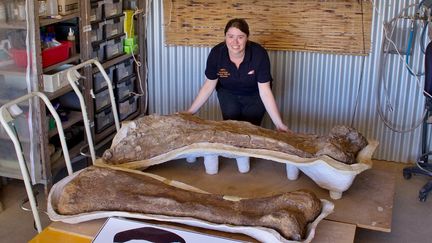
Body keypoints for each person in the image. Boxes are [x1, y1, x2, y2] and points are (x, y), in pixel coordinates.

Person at [186, 18, 289, 132]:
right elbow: (209, 85)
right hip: (228, 93)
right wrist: (190, 112)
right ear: (225, 37)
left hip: (254, 95)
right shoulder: (216, 54)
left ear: (247, 38)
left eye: (240, 37)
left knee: (251, 129)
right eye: (231, 36)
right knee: (231, 128)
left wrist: (279, 124)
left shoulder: (259, 54)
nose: (235, 42)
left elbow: (265, 91)